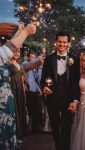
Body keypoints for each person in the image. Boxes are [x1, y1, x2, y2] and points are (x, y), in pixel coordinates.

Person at [41, 31, 80, 150]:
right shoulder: (48, 59)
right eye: (59, 42)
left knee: (67, 127)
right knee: (55, 126)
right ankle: (58, 147)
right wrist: (44, 87)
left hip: (68, 99)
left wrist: (75, 100)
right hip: (52, 98)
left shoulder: (75, 59)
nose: (62, 44)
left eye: (64, 42)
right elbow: (43, 77)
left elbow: (76, 81)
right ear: (55, 42)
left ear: (68, 43)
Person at [0, 22, 36, 150]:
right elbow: (5, 52)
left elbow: (8, 50)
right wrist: (24, 32)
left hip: (7, 98)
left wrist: (19, 33)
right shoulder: (8, 61)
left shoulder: (18, 64)